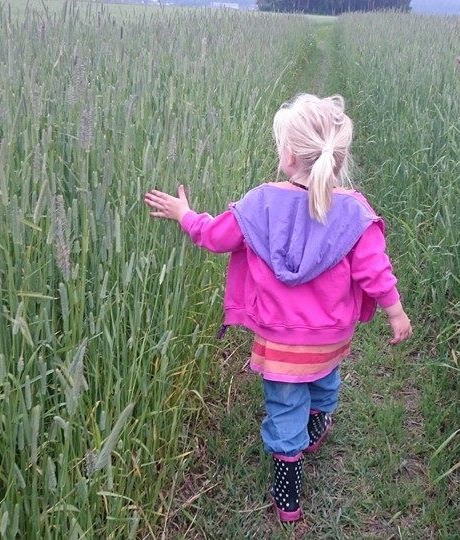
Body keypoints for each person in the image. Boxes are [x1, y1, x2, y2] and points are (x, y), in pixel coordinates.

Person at [143, 93, 412, 523]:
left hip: (280, 340)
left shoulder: (260, 203)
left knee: (286, 405)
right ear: (337, 160)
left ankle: (288, 495)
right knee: (324, 380)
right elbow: (375, 269)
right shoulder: (354, 212)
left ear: (288, 156)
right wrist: (395, 311)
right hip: (331, 337)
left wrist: (185, 214)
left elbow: (215, 237)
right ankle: (318, 425)